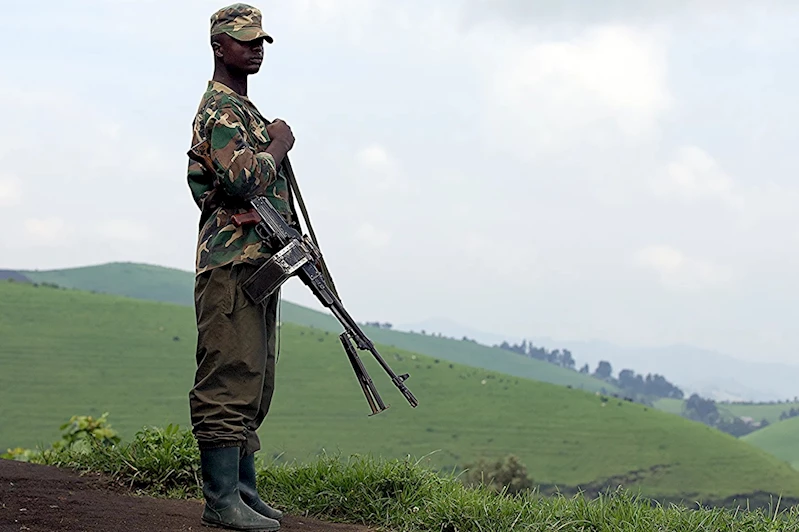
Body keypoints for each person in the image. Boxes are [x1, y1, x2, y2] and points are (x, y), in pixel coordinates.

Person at [185, 3, 296, 530]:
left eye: (260, 41)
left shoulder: (242, 111)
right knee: (229, 374)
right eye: (244, 39)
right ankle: (221, 500)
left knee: (254, 377)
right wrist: (280, 141)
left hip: (254, 263)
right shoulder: (222, 111)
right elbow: (242, 182)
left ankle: (243, 491)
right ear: (218, 46)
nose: (255, 48)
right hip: (229, 264)